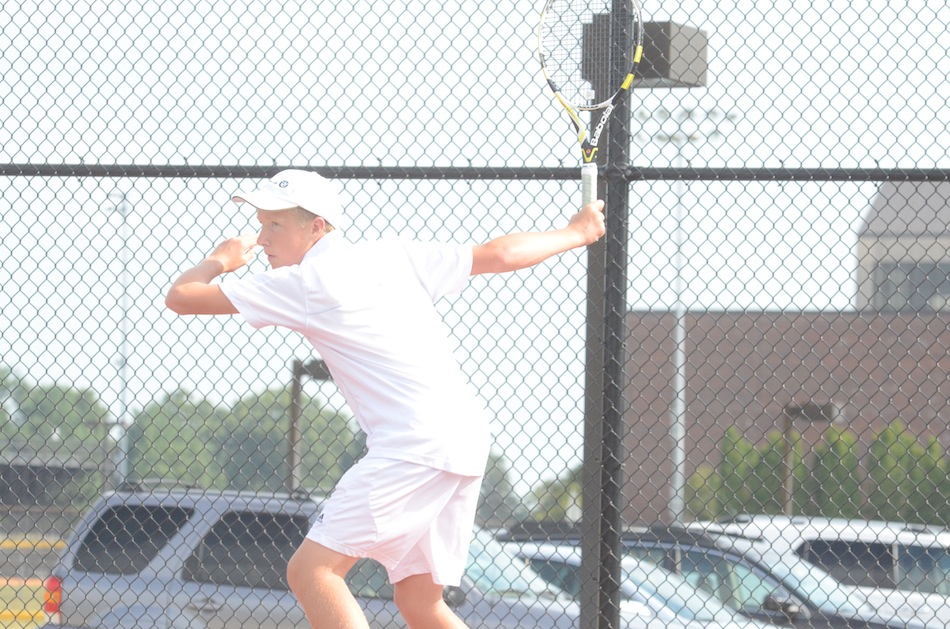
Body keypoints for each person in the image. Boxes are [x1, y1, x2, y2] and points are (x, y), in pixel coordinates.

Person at [165, 168, 605, 629]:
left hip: (413, 445)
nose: (262, 236)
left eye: (274, 224)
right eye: (260, 223)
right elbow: (499, 254)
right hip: (465, 440)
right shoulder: (393, 255)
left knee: (313, 570)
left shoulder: (306, 284)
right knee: (419, 601)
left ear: (316, 227)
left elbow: (181, 297)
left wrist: (220, 260)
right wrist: (575, 232)